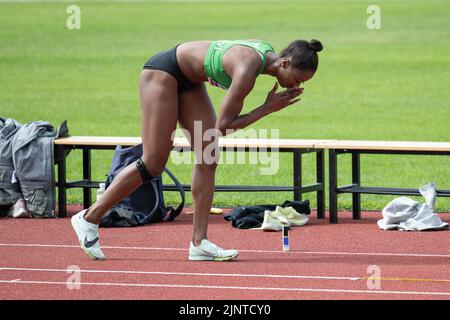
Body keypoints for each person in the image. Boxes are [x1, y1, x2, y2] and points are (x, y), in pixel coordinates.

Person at [71, 39, 323, 261]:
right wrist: (266, 109)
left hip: (189, 80)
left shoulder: (265, 56)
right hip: (162, 72)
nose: (298, 84)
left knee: (208, 154)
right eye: (299, 78)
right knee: (153, 163)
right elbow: (223, 126)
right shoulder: (248, 69)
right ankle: (89, 219)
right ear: (286, 62)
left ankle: (199, 243)